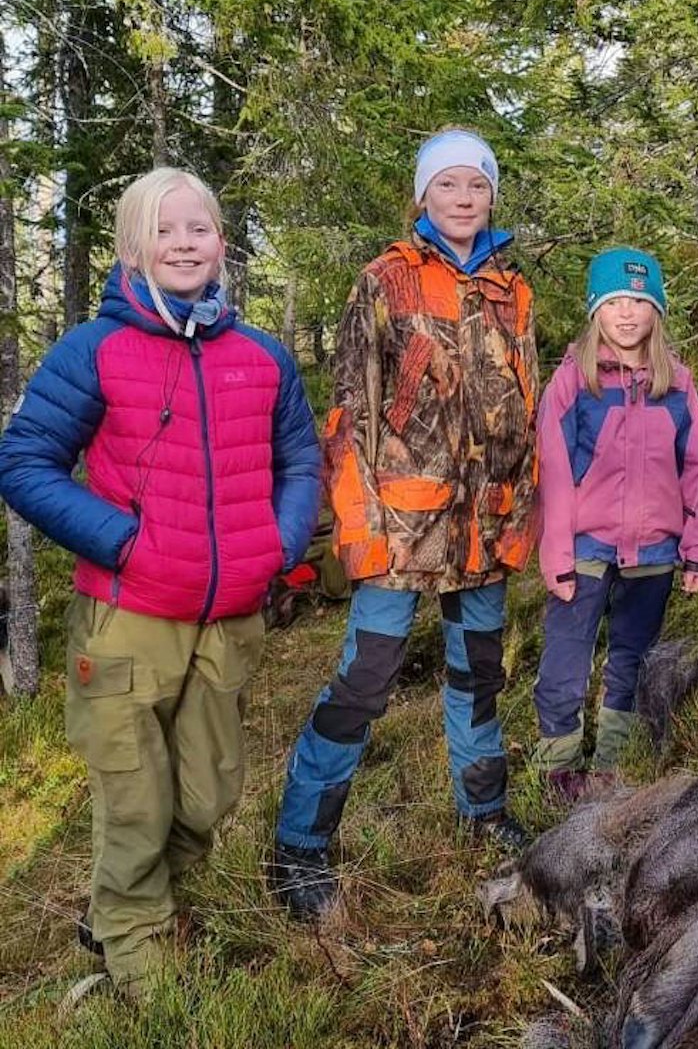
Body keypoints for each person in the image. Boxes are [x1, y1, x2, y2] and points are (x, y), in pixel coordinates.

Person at [0, 167, 321, 996]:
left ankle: (126, 902)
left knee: (208, 793)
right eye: (165, 230)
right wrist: (124, 543)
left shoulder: (262, 357)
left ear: (221, 242)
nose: (184, 244)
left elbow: (300, 460)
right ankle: (140, 957)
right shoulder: (95, 350)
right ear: (133, 246)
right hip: (128, 615)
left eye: (199, 229)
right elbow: (25, 462)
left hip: (229, 617)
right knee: (135, 801)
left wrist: (276, 546)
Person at [269, 128, 539, 919]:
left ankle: (484, 814)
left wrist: (517, 518)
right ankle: (302, 845)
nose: (463, 198)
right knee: (364, 681)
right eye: (448, 185)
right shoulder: (383, 281)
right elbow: (350, 416)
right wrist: (361, 529)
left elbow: (525, 410)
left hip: (482, 532)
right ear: (423, 196)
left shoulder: (513, 292)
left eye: (477, 186)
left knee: (479, 678)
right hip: (399, 528)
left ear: (491, 196)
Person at [532, 248, 698, 798]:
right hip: (584, 549)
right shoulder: (572, 383)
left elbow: (696, 469)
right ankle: (559, 765)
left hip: (654, 554)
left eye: (639, 301)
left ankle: (613, 765)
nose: (628, 313)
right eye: (615, 301)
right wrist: (557, 553)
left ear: (656, 310)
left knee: (631, 658)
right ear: (596, 310)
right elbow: (555, 473)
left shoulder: (677, 386)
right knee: (566, 658)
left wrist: (696, 547)